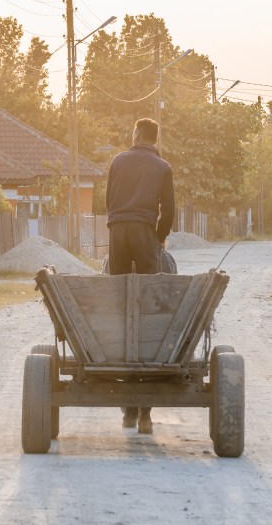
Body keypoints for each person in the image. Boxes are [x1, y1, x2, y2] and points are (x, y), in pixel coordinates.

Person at [105, 117, 175, 435]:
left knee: (118, 296)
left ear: (136, 134)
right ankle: (145, 412)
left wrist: (118, 224)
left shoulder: (118, 160)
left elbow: (108, 201)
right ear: (154, 138)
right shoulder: (162, 167)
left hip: (118, 231)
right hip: (146, 233)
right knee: (147, 304)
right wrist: (158, 237)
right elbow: (169, 209)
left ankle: (129, 409)